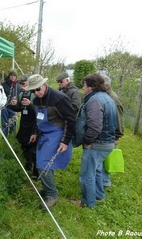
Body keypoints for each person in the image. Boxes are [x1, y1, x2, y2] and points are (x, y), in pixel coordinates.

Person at [26, 74, 76, 209]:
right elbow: (38, 118)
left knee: (42, 164)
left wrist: (65, 141)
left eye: (38, 89)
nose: (36, 93)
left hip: (57, 133)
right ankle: (48, 188)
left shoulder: (59, 98)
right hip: (44, 134)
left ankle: (52, 196)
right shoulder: (36, 99)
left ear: (44, 84)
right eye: (32, 91)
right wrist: (35, 132)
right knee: (43, 162)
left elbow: (71, 120)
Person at [71, 73, 117, 208]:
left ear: (91, 87)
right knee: (96, 171)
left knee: (86, 175)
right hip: (107, 142)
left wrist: (88, 141)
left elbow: (95, 126)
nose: (83, 88)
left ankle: (87, 203)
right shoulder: (106, 97)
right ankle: (99, 195)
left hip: (97, 144)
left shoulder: (95, 101)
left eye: (84, 86)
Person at [9, 75, 38, 177]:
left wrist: (30, 104)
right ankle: (27, 165)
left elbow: (41, 111)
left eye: (23, 84)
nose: (21, 86)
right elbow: (19, 109)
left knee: (34, 149)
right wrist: (14, 105)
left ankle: (36, 172)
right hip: (24, 124)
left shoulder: (35, 94)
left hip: (34, 125)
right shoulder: (21, 94)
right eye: (20, 84)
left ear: (29, 84)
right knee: (24, 146)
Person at [102, 74, 124, 187]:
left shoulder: (113, 98)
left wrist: (117, 136)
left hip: (111, 135)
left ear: (106, 84)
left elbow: (119, 118)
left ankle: (105, 182)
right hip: (106, 133)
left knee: (105, 158)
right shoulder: (105, 95)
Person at [1, 70, 21, 136]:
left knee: (13, 122)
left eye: (14, 76)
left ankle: (12, 135)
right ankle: (4, 136)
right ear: (9, 76)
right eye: (11, 76)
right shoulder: (3, 85)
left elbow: (20, 95)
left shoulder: (18, 85)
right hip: (5, 107)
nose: (13, 77)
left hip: (14, 107)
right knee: (4, 122)